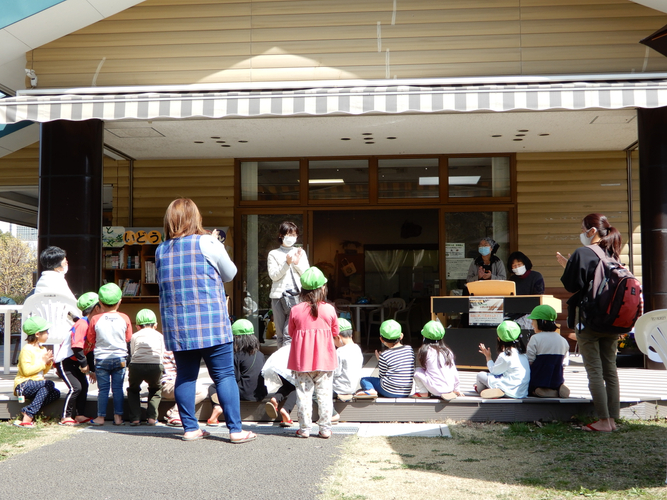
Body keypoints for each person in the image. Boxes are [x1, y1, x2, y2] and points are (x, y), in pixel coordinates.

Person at [155, 198, 255, 443]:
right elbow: (230, 273)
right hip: (211, 322)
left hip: (178, 324)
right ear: (195, 217)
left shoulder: (161, 250)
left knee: (186, 376)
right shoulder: (207, 241)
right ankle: (235, 430)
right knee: (223, 376)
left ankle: (190, 428)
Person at [558, 213, 622, 432]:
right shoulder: (612, 253)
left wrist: (568, 266)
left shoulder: (583, 253)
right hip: (612, 321)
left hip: (589, 321)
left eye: (583, 228)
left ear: (592, 231)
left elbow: (571, 284)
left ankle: (603, 421)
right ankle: (613, 420)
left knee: (594, 371)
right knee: (610, 370)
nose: (581, 233)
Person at [287, 266, 339, 439]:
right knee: (324, 395)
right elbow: (335, 331)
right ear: (323, 288)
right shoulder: (330, 309)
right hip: (324, 361)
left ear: (302, 290)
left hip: (302, 362)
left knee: (303, 395)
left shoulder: (295, 310)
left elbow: (291, 332)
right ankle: (325, 429)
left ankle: (304, 429)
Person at [86, 283, 132, 426]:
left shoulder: (95, 319)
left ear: (100, 302)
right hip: (120, 358)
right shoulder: (125, 318)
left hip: (101, 359)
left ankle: (100, 417)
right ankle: (118, 417)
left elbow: (91, 339)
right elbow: (128, 338)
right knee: (118, 388)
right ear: (120, 302)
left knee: (103, 389)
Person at [208, 319, 267, 426]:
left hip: (243, 394)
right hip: (260, 393)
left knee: (214, 387)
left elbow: (233, 378)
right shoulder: (260, 354)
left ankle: (216, 408)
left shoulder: (236, 355)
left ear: (237, 338)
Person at [55, 292, 99, 426]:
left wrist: (92, 369)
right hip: (65, 361)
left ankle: (80, 415)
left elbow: (90, 350)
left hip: (76, 361)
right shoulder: (82, 324)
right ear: (96, 308)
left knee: (84, 386)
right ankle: (65, 416)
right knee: (76, 388)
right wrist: (84, 364)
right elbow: (77, 346)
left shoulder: (91, 325)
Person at [268, 221, 310, 348]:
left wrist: (296, 263)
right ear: (281, 235)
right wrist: (287, 263)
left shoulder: (300, 252)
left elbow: (306, 274)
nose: (291, 238)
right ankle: (282, 363)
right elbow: (274, 275)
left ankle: (290, 362)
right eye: (288, 234)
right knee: (280, 333)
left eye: (294, 235)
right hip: (278, 296)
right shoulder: (273, 254)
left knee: (289, 333)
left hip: (296, 296)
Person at [13, 317, 61, 428]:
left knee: (55, 393)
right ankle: (29, 415)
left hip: (38, 384)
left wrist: (48, 363)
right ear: (37, 334)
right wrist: (43, 362)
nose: (48, 334)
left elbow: (42, 371)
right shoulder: (27, 349)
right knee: (49, 384)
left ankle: (27, 410)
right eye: (46, 332)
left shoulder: (42, 349)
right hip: (23, 384)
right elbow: (26, 371)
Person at [355, 319, 415, 400]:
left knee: (364, 379)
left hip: (388, 390)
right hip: (405, 391)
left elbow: (382, 377)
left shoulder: (384, 355)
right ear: (401, 336)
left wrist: (380, 360)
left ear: (381, 339)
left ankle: (370, 390)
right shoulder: (409, 349)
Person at [127, 309, 165, 426]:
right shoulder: (159, 335)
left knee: (133, 390)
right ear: (155, 325)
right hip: (155, 365)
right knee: (155, 389)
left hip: (136, 365)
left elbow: (132, 352)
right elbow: (162, 354)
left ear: (138, 326)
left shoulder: (134, 335)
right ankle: (152, 418)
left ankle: (135, 418)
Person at [476, 320, 530, 399]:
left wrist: (488, 357)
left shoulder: (505, 355)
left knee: (480, 375)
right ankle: (494, 390)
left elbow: (494, 371)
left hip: (508, 389)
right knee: (493, 377)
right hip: (522, 392)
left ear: (499, 339)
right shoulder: (523, 354)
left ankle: (481, 390)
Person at [525, 305, 570, 398]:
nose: (532, 324)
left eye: (533, 321)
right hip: (557, 378)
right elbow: (565, 363)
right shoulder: (563, 340)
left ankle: (540, 391)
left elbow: (529, 360)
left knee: (531, 389)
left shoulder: (535, 338)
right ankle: (557, 389)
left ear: (543, 322)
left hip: (539, 380)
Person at [413, 320, 463, 401]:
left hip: (435, 389)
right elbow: (454, 372)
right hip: (449, 388)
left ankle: (423, 392)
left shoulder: (425, 351)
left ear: (424, 337)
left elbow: (425, 369)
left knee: (417, 371)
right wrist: (457, 389)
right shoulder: (447, 351)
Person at [160, 348, 208, 427]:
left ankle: (173, 410)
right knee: (202, 392)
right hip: (169, 383)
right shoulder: (172, 351)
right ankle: (175, 413)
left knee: (198, 389)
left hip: (171, 383)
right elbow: (184, 368)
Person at [262, 344, 298, 427]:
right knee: (298, 387)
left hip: (281, 356)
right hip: (292, 358)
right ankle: (286, 409)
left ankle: (276, 398)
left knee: (288, 385)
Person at [332, 318, 363, 400]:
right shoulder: (357, 348)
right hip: (352, 388)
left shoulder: (340, 351)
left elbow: (335, 372)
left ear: (338, 337)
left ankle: (333, 413)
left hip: (338, 389)